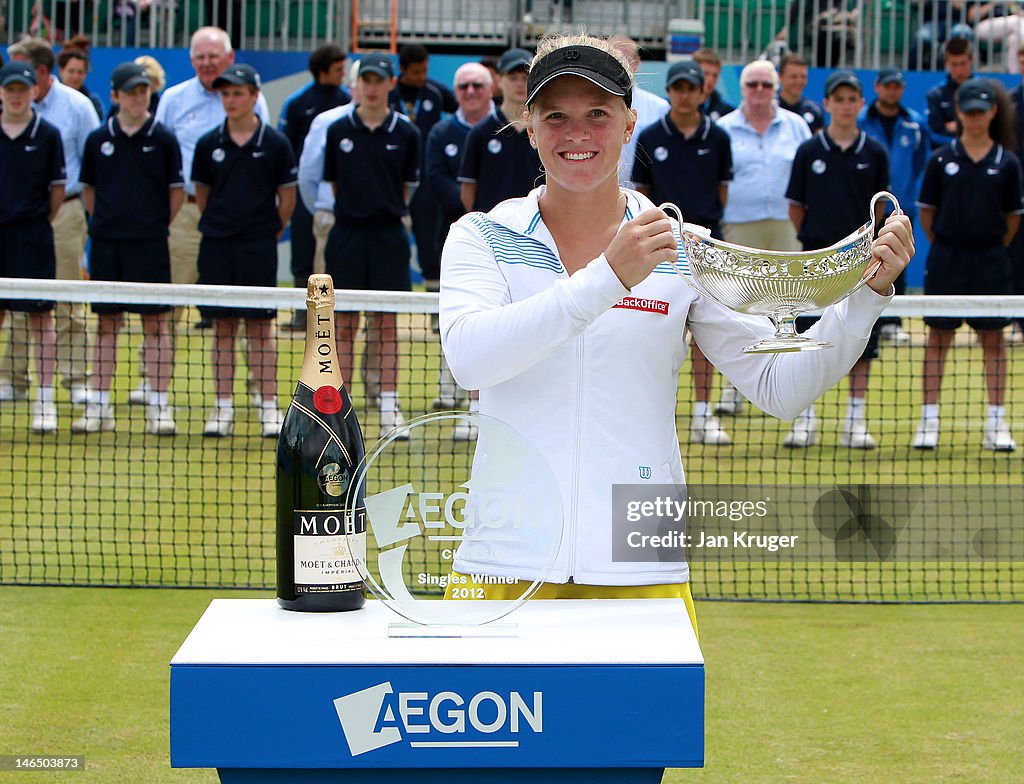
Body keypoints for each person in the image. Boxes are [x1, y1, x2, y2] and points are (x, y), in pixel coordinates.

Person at [438, 34, 912, 621]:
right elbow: (472, 360)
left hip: (641, 561)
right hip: (501, 557)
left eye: (598, 114)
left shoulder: (684, 250)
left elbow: (778, 387)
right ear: (529, 127)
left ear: (630, 122)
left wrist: (863, 299)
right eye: (555, 116)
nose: (577, 133)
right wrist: (609, 277)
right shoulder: (482, 235)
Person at [73, 62, 183, 436]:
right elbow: (89, 193)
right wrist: (110, 223)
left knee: (155, 326)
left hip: (150, 245)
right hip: (106, 244)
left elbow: (176, 194)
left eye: (145, 90)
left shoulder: (164, 138)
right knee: (106, 324)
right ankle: (99, 405)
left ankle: (159, 406)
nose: (140, 97)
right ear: (117, 95)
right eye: (133, 91)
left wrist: (148, 227)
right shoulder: (96, 139)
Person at [784, 71, 891, 450]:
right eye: (838, 99)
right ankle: (805, 420)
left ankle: (854, 422)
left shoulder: (875, 152)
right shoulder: (808, 151)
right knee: (808, 341)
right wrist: (818, 248)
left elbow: (882, 211)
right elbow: (796, 206)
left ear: (861, 104)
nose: (845, 105)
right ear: (826, 104)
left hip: (861, 265)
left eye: (852, 99)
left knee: (861, 339)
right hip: (814, 264)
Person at [913, 78, 1021, 452]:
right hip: (947, 259)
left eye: (981, 111)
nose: (975, 118)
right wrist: (948, 245)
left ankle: (997, 424)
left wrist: (987, 247)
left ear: (992, 112)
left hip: (991, 260)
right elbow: (927, 214)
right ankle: (928, 422)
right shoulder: (940, 160)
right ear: (959, 113)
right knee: (938, 337)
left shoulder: (1007, 163)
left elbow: (1011, 219)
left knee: (993, 339)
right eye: (968, 111)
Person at [631, 60, 734, 446]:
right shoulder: (651, 136)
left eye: (691, 87)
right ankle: (653, 414)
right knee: (656, 331)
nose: (684, 94)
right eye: (678, 88)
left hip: (709, 248)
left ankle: (704, 414)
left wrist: (701, 233)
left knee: (707, 335)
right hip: (660, 246)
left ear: (701, 92)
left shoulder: (719, 138)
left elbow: (721, 193)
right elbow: (642, 194)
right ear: (670, 92)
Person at [192, 64, 296, 438]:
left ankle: (268, 406)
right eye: (225, 93)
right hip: (217, 245)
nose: (230, 100)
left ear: (254, 96)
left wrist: (263, 228)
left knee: (260, 329)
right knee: (222, 328)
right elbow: (202, 197)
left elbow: (286, 199)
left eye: (237, 93)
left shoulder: (275, 143)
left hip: (257, 245)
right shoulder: (208, 144)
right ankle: (223, 408)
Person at [152, 26, 269, 349]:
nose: (207, 63)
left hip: (240, 220)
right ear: (191, 60)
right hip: (186, 213)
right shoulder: (173, 100)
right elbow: (160, 158)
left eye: (213, 56)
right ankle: (153, 383)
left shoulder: (253, 102)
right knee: (169, 300)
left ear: (229, 57)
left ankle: (259, 388)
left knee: (249, 307)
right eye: (200, 57)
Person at [323, 55, 420, 440]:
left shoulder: (407, 133)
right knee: (342, 325)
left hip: (388, 236)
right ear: (357, 84)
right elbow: (333, 184)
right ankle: (339, 407)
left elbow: (407, 188)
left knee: (385, 324)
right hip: (346, 235)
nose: (373, 86)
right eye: (366, 79)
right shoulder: (337, 131)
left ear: (391, 83)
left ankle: (388, 404)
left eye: (379, 79)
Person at [1, 38, 99, 409]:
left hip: (64, 212)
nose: (14, 79)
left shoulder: (77, 106)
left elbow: (90, 162)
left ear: (40, 72)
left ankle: (75, 379)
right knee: (16, 303)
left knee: (66, 299)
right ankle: (13, 377)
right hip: (15, 223)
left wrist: (50, 212)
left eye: (21, 69)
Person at [716, 60, 811, 417]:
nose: (759, 91)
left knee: (791, 306)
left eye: (766, 85)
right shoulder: (724, 128)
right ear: (743, 88)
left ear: (775, 88)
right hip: (739, 228)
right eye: (753, 84)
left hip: (785, 228)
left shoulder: (796, 126)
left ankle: (795, 383)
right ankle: (734, 389)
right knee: (739, 310)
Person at [425, 62, 495, 439]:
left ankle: (481, 402)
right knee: (452, 318)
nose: (471, 92)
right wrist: (470, 216)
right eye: (464, 86)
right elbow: (434, 179)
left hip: (502, 240)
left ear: (490, 88)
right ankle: (446, 386)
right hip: (451, 236)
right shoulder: (441, 132)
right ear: (456, 92)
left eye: (477, 85)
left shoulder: (504, 130)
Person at [0, 61, 65, 432]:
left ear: (33, 92)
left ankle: (45, 400)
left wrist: (33, 220)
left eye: (22, 89)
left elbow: (57, 192)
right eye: (9, 89)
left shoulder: (48, 134)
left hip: (33, 236)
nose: (16, 95)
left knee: (42, 319)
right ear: (1, 92)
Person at [279, 44, 350, 331]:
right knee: (302, 254)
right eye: (337, 70)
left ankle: (325, 317)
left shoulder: (347, 100)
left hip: (329, 198)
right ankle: (300, 314)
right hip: (302, 192)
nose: (342, 75)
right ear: (323, 71)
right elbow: (287, 147)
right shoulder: (297, 103)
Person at [858, 67, 930, 347]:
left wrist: (905, 196)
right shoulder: (863, 121)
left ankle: (893, 321)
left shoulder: (914, 124)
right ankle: (868, 320)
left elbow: (919, 161)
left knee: (899, 261)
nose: (892, 90)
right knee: (866, 263)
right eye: (887, 85)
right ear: (877, 87)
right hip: (866, 208)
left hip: (900, 207)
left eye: (896, 86)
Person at [389, 45, 457, 299]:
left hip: (427, 180)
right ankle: (399, 294)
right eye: (416, 72)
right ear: (403, 69)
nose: (421, 77)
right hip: (396, 179)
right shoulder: (390, 93)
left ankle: (432, 300)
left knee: (429, 241)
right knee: (396, 240)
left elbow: (460, 114)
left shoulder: (435, 92)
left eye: (424, 71)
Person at [458, 48, 542, 213]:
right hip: (493, 227)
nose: (519, 84)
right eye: (512, 78)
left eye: (525, 77)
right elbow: (468, 188)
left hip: (538, 223)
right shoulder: (481, 131)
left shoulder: (544, 128)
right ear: (499, 80)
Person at [607, 34, 668, 187]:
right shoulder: (590, 106)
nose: (621, 64)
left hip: (645, 194)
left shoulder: (659, 108)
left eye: (626, 58)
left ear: (637, 63)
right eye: (614, 58)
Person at [926, 37, 975, 150]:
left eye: (963, 64)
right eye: (954, 65)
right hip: (947, 155)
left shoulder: (985, 90)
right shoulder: (936, 95)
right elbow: (933, 134)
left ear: (971, 60)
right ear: (946, 63)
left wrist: (958, 126)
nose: (959, 70)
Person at [56, 36, 103, 120]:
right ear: (61, 71)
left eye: (80, 72)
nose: (76, 77)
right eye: (71, 71)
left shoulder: (93, 103)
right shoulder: (48, 100)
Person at [776, 53, 824, 134]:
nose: (799, 81)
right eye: (793, 77)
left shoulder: (814, 110)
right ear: (780, 77)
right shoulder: (770, 109)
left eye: (803, 77)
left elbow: (819, 144)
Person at [692, 48, 734, 122]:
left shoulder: (728, 113)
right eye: (706, 73)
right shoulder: (673, 107)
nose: (711, 79)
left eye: (715, 75)